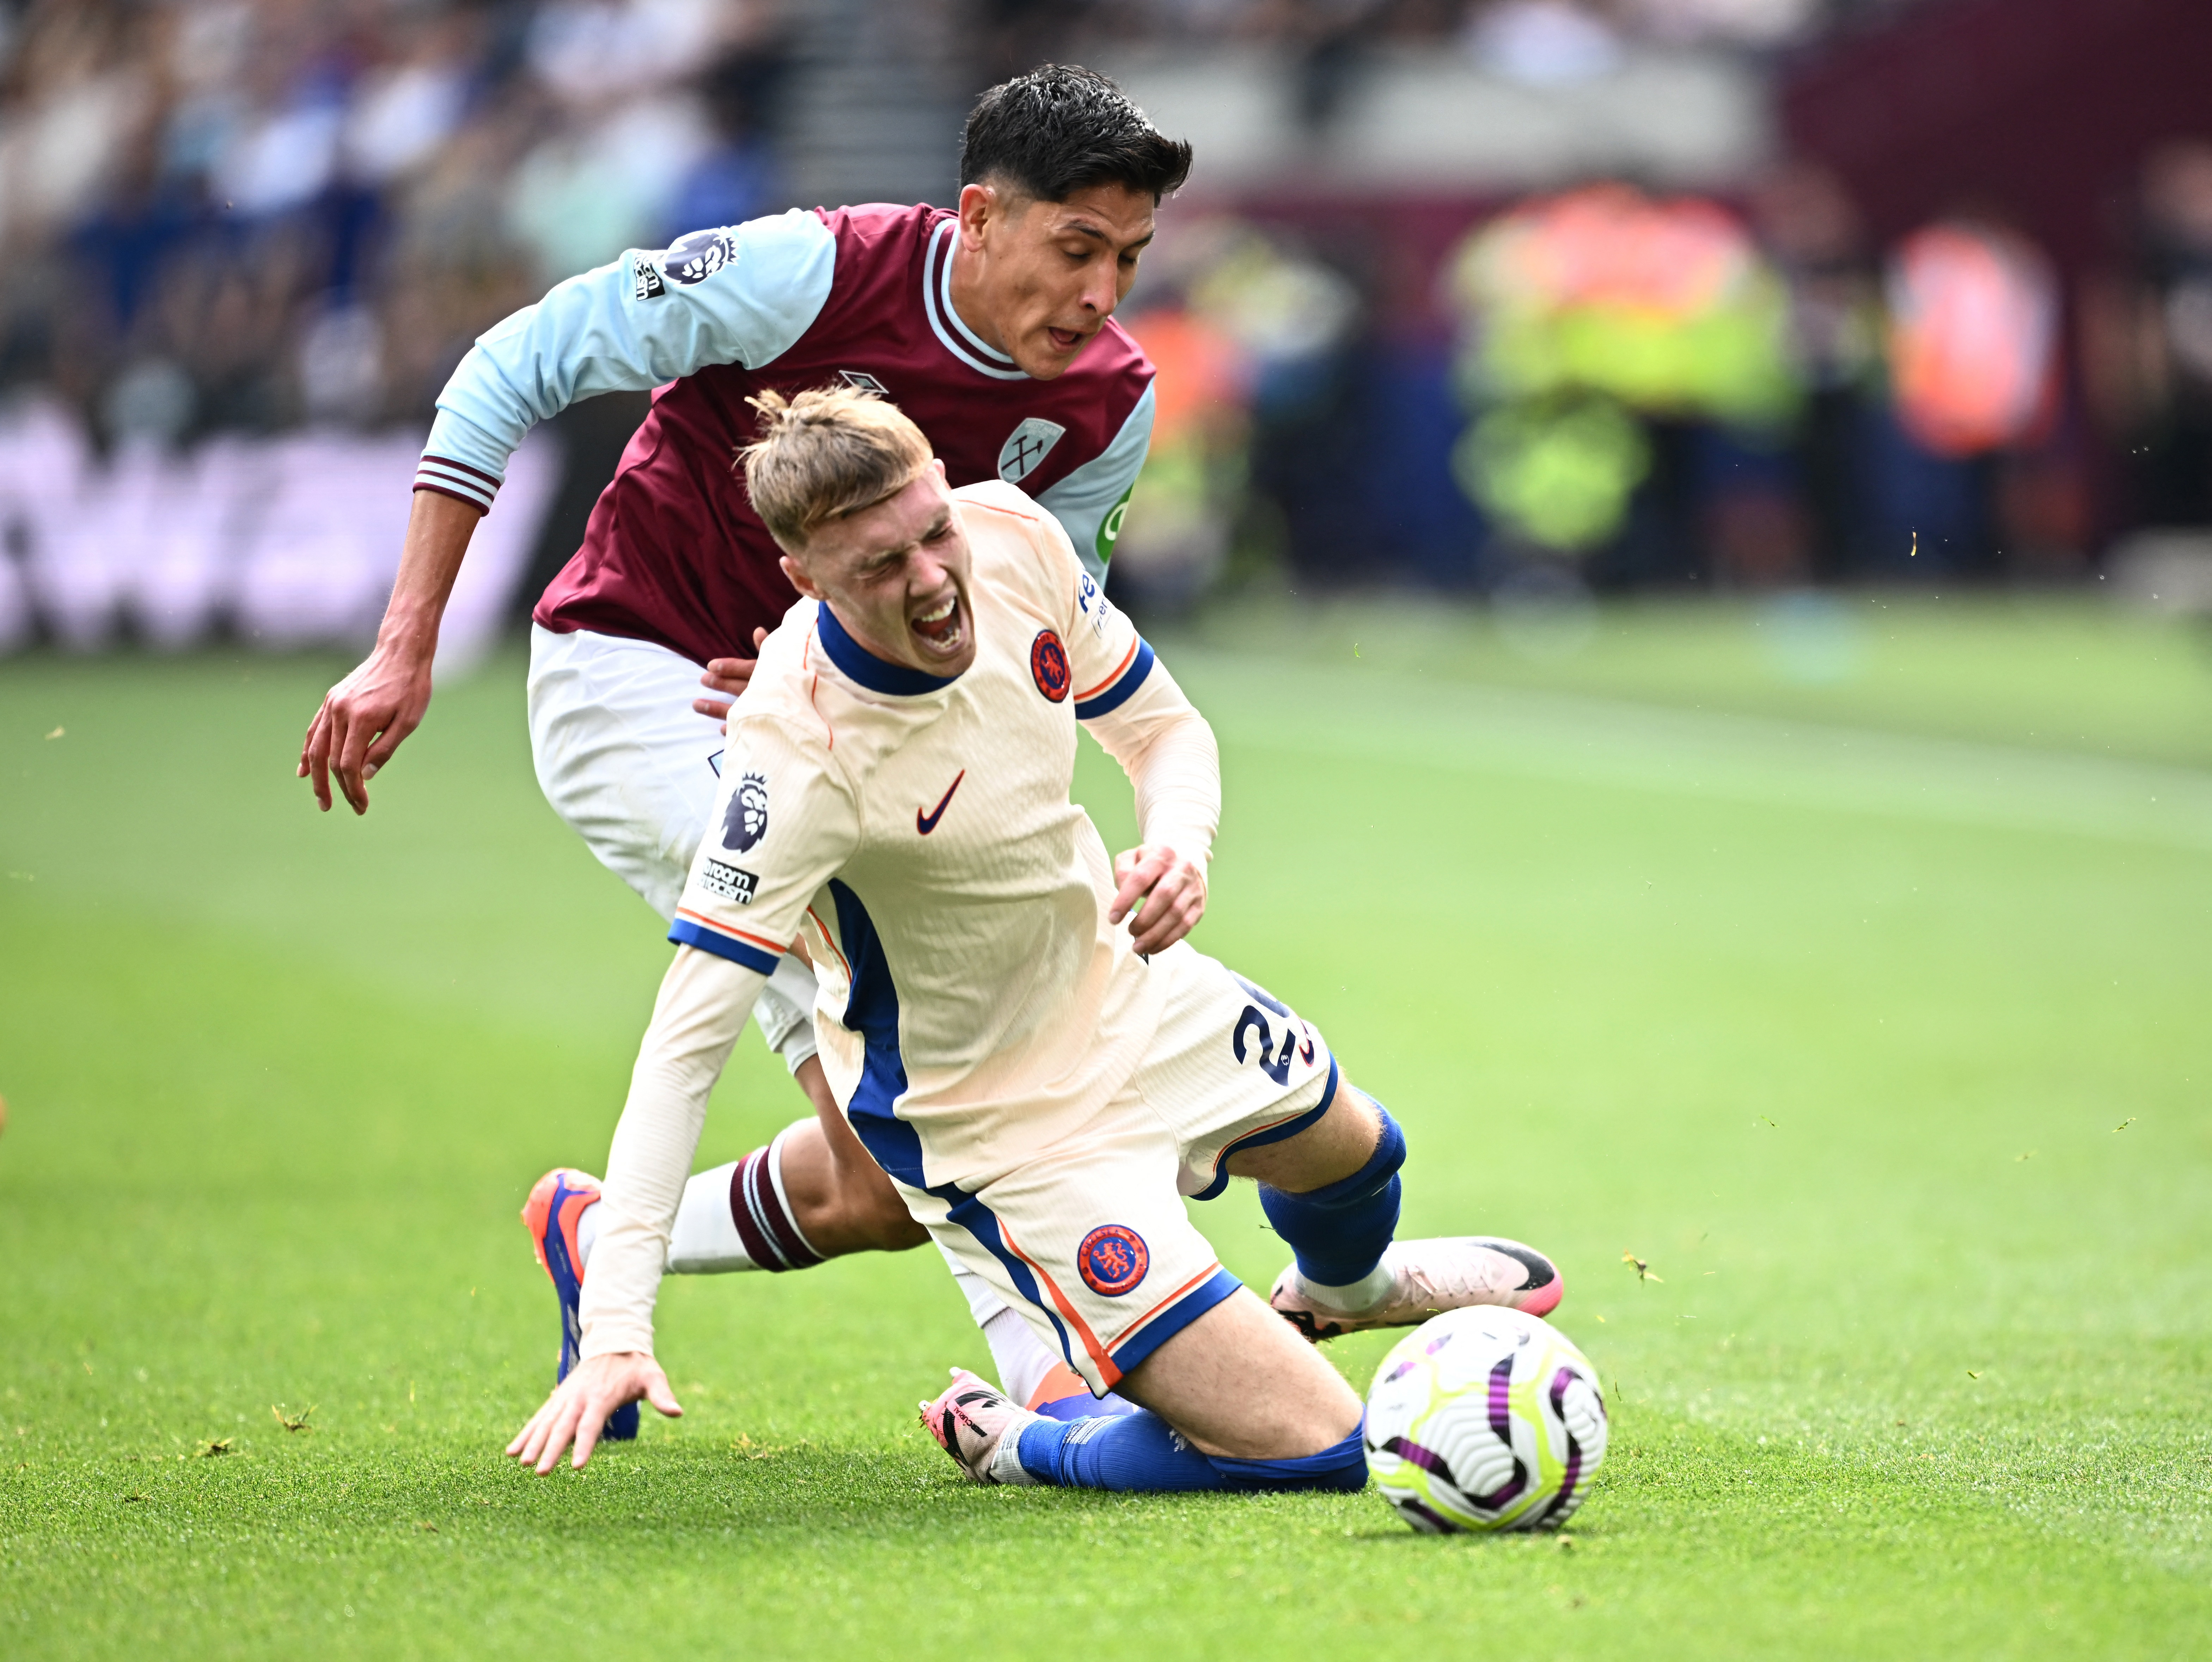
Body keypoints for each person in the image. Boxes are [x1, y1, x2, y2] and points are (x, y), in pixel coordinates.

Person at [295, 67, 1188, 1425]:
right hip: (635, 673)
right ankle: (1054, 1366)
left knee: (872, 1185)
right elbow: (511, 365)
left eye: (1127, 258)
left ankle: (598, 1234)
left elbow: (1020, 638)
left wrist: (831, 667)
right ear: (977, 219)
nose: (1101, 295)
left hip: (833, 721)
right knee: (907, 994)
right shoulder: (802, 276)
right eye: (1076, 251)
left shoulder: (1108, 407)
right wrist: (407, 641)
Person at [505, 386, 1563, 1488]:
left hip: (1125, 988)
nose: (930, 577)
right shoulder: (797, 754)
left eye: (931, 530)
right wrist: (624, 1327)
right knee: (1327, 1446)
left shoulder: (1009, 534)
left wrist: (1180, 847)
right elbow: (685, 1041)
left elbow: (1161, 728)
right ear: (804, 582)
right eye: (877, 567)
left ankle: (1341, 1293)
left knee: (1358, 1157)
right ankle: (1025, 1441)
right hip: (998, 1120)